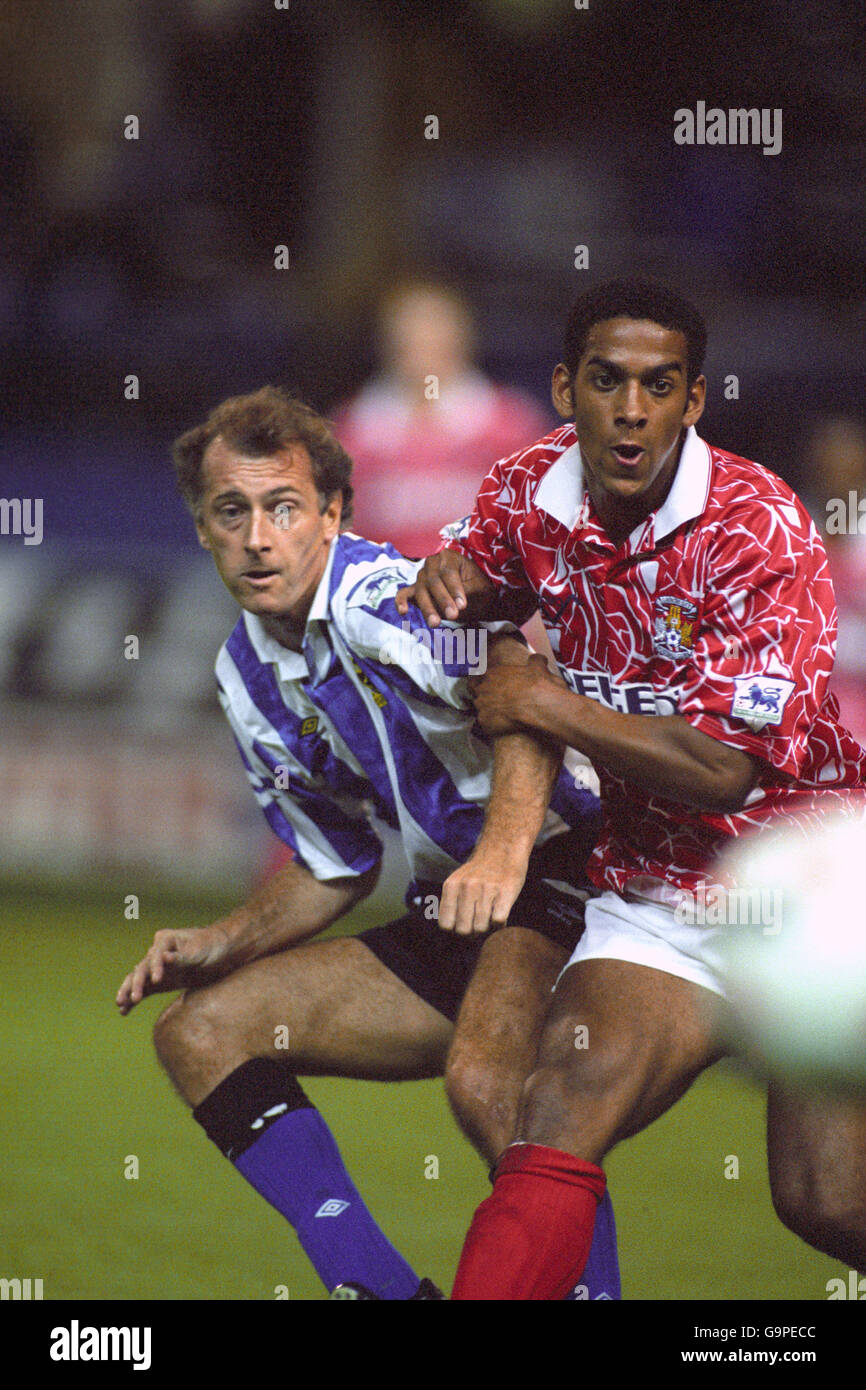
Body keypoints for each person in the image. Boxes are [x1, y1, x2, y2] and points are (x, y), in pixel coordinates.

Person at [399, 279, 866, 1299]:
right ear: (566, 387)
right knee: (557, 1101)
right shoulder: (526, 489)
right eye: (605, 381)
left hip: (809, 879)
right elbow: (486, 585)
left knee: (825, 1198)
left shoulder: (760, 528)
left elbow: (721, 768)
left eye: (659, 386)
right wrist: (453, 580)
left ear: (693, 401)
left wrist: (547, 703)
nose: (630, 409)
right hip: (656, 887)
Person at [115, 385, 618, 1301]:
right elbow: (335, 861)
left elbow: (515, 672)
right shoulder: (245, 673)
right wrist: (219, 942)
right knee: (203, 1032)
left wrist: (503, 853)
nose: (259, 538)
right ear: (201, 529)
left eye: (283, 508)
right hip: (458, 909)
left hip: (570, 866)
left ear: (333, 514)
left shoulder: (377, 599)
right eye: (233, 512)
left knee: (487, 1077)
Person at [334, 281, 550, 557]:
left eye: (434, 333)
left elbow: (539, 532)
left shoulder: (513, 425)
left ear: (461, 340)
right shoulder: (350, 432)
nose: (422, 345)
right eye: (410, 336)